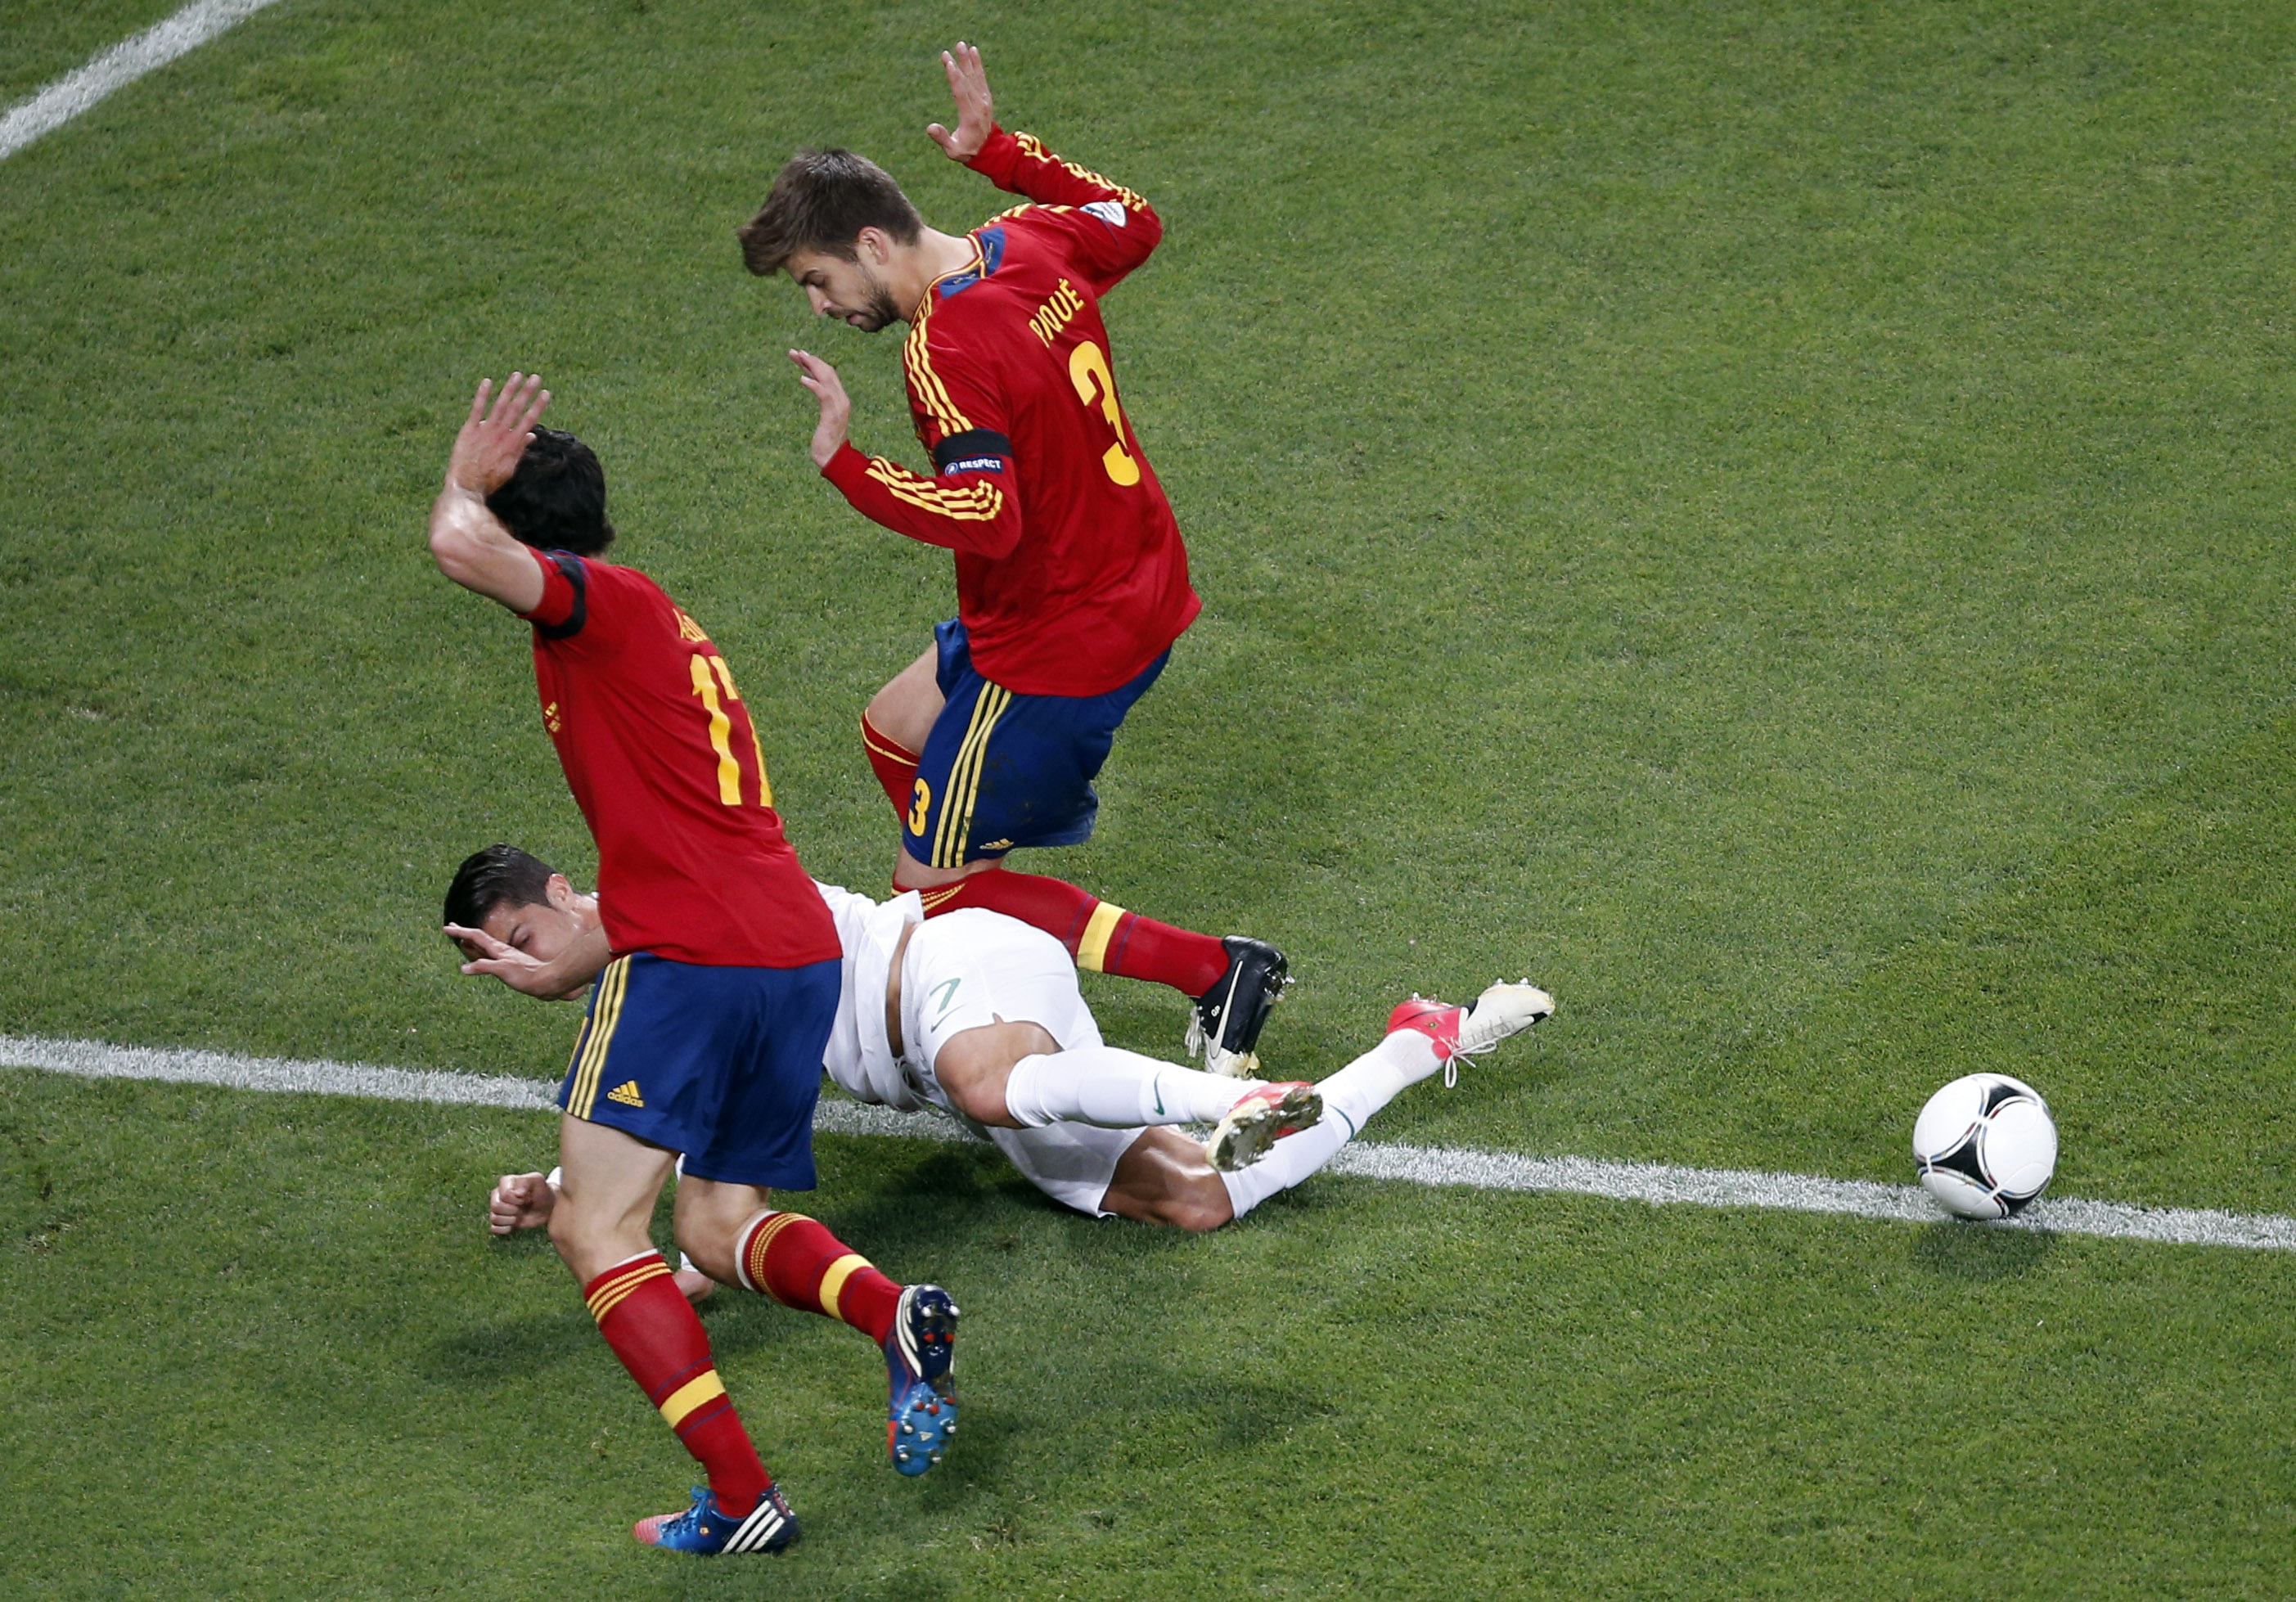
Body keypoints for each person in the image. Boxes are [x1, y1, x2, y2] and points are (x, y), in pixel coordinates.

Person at [425, 373, 960, 1559]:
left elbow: (456, 545)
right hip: (788, 946)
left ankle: (740, 1494)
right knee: (717, 1228)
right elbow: (679, 844)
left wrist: (467, 481)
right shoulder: (646, 622)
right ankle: (894, 1314)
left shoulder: (591, 603)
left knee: (597, 1227)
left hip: (704, 957)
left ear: (533, 536)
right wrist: (565, 969)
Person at [741, 43, 1286, 1077]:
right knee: (894, 727)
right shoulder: (1023, 243)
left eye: (816, 280)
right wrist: (1007, 155)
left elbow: (985, 515)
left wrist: (845, 464)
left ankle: (1216, 969)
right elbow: (1137, 221)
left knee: (930, 885)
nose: (818, 304)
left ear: (868, 242)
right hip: (1127, 579)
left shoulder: (940, 345)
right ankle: (986, 871)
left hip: (1058, 643)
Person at [445, 844, 1556, 1245]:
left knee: (986, 1085)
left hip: (945, 965)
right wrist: (563, 1192)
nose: (519, 969)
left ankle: (1222, 1092)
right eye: (492, 966)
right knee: (1195, 1202)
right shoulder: (630, 1016)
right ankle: (1421, 1040)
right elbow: (694, 1204)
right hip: (957, 1056)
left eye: (521, 940)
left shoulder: (663, 884)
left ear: (559, 891)